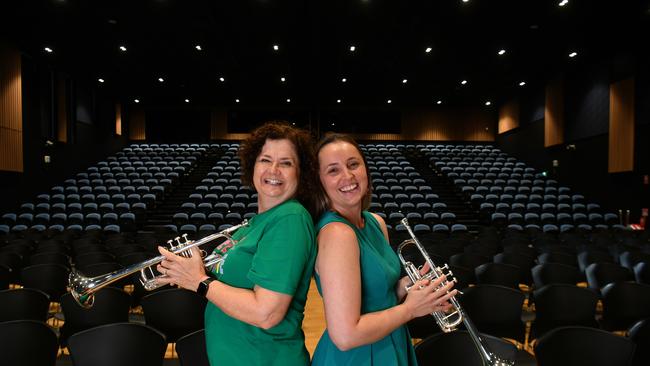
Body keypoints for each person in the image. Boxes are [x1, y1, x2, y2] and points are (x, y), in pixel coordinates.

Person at [156, 121, 319, 366]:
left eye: (286, 163)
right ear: (252, 165)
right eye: (265, 160)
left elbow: (267, 313)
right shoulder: (253, 223)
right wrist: (188, 271)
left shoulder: (290, 219)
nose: (273, 170)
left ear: (301, 173)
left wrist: (199, 281)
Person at [311, 133, 457, 365]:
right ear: (319, 181)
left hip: (391, 340)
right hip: (359, 355)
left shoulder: (374, 222)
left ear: (365, 170)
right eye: (333, 170)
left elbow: (378, 297)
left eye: (353, 164)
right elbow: (345, 336)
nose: (347, 176)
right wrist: (411, 309)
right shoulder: (337, 234)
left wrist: (411, 285)